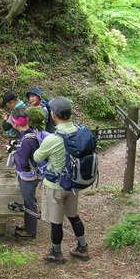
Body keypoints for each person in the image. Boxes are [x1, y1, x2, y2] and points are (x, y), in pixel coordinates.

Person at [33, 97, 89, 264]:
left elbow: (37, 157)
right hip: (74, 184)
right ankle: (82, 247)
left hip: (55, 186)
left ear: (53, 115)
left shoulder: (52, 139)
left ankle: (56, 253)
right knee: (73, 216)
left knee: (56, 221)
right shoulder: (79, 131)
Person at [10, 107, 40, 238]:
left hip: (29, 177)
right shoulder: (29, 133)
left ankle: (30, 231)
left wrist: (13, 152)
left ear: (16, 123)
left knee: (29, 202)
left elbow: (22, 162)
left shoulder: (28, 140)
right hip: (30, 174)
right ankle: (29, 226)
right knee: (29, 199)